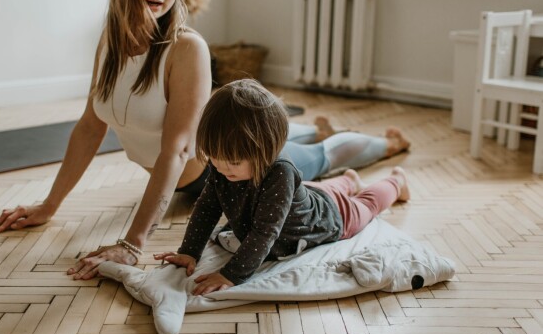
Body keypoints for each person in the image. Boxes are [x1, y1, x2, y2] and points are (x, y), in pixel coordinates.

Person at [0, 0, 409, 279]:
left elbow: (176, 150)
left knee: (318, 157)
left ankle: (386, 146)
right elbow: (88, 127)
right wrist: (49, 205)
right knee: (302, 147)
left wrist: (133, 243)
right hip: (212, 166)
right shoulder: (110, 43)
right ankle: (322, 146)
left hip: (234, 170)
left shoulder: (186, 48)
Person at [154, 79, 410, 294]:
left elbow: (265, 233)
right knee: (321, 190)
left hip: (330, 216)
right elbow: (207, 207)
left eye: (232, 161)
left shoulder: (280, 173)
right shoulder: (224, 166)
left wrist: (231, 275)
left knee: (366, 204)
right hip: (308, 194)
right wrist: (189, 251)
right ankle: (349, 180)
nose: (221, 168)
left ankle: (396, 182)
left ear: (266, 150)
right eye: (215, 159)